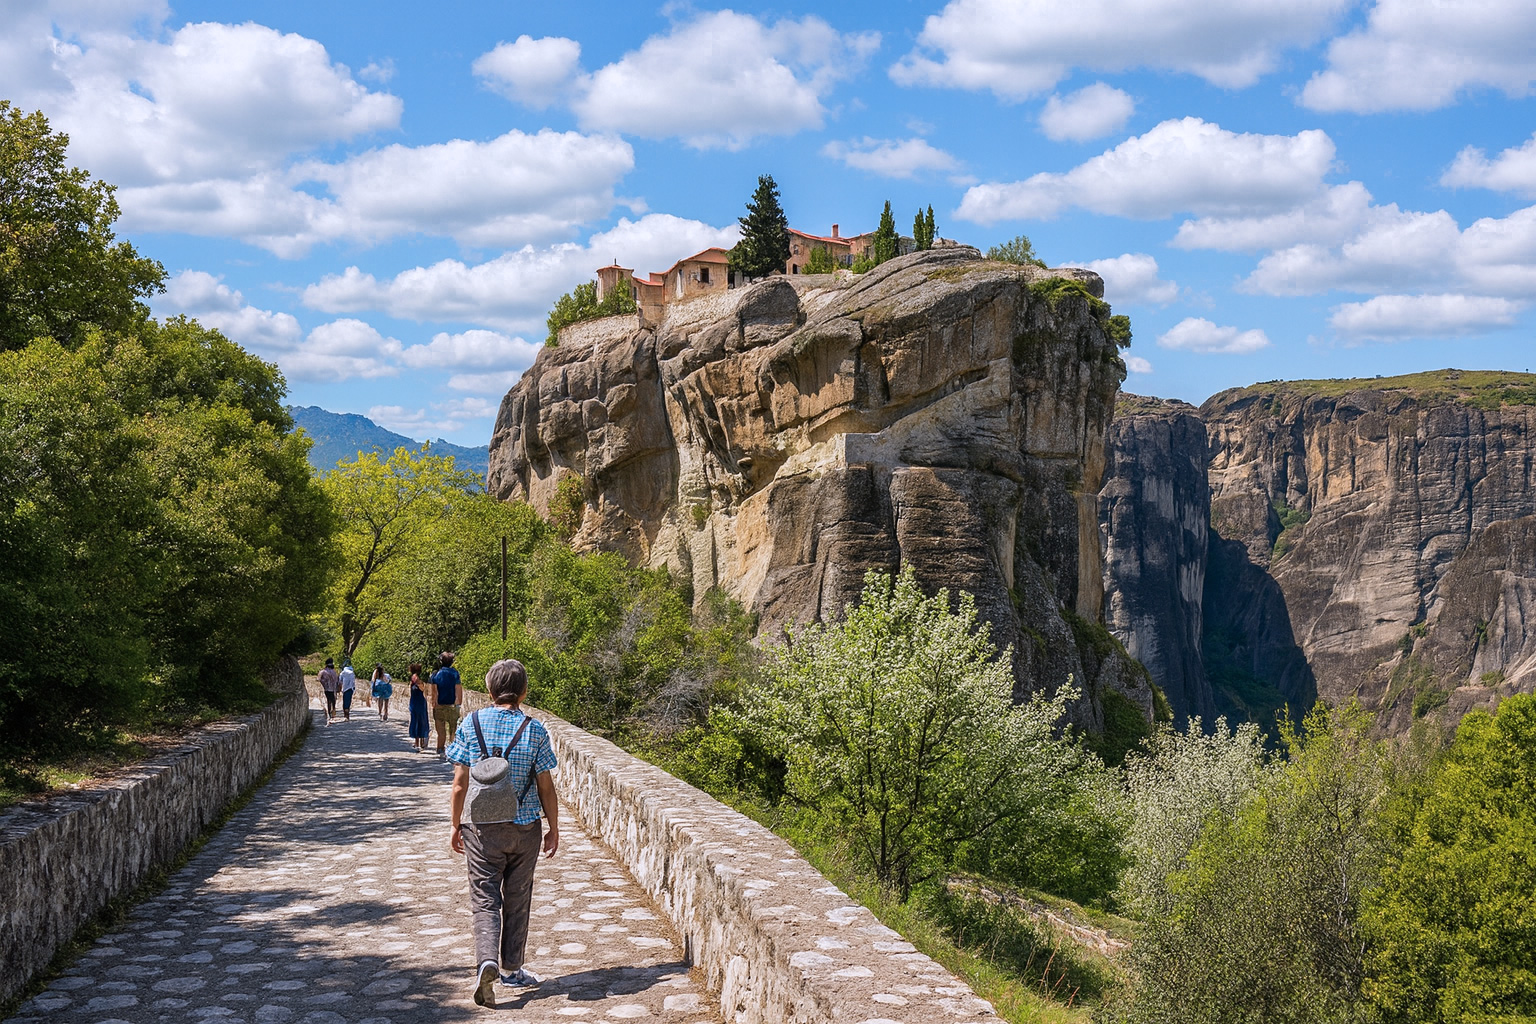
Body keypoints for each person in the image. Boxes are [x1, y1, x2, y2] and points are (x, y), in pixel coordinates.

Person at [447, 658, 558, 1009]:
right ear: (524, 691)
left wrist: (455, 825)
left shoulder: (471, 722)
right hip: (524, 828)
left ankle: (486, 963)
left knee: (485, 900)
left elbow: (459, 784)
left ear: (491, 689)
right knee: (517, 897)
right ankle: (511, 969)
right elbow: (546, 787)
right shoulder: (535, 730)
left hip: (481, 829)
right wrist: (554, 827)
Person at [431, 652, 462, 759]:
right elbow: (458, 689)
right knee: (453, 729)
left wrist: (434, 702)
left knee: (441, 729)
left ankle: (440, 748)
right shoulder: (455, 674)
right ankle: (452, 749)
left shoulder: (436, 674)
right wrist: (458, 703)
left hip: (439, 705)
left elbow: (434, 692)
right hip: (452, 705)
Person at [407, 663, 430, 751]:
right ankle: (419, 742)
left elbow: (422, 689)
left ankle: (419, 742)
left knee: (418, 720)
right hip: (418, 702)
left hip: (416, 702)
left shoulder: (414, 679)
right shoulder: (416, 679)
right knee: (420, 720)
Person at [318, 658, 341, 722]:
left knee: (328, 701)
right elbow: (338, 681)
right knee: (333, 700)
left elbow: (319, 679)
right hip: (334, 689)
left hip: (327, 688)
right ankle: (333, 712)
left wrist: (324, 683)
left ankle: (329, 713)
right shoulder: (334, 672)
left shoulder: (323, 672)